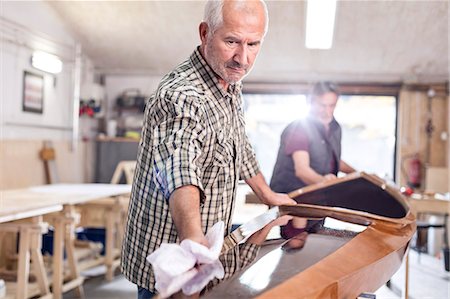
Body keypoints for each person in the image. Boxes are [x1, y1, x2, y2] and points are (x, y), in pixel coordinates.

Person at [121, 1, 295, 298]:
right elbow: (179, 169)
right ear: (204, 33)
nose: (243, 57)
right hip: (171, 269)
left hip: (207, 257)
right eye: (232, 41)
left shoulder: (229, 81)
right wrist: (193, 240)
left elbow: (240, 143)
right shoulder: (180, 96)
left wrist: (267, 194)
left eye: (254, 44)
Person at [270, 81, 355, 236]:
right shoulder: (300, 128)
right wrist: (326, 182)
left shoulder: (334, 127)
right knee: (296, 244)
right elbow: (302, 170)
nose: (327, 111)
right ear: (311, 101)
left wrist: (357, 174)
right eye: (322, 105)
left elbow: (333, 159)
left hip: (318, 199)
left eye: (332, 105)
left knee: (315, 241)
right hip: (294, 199)